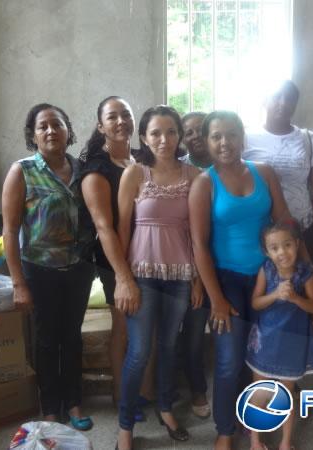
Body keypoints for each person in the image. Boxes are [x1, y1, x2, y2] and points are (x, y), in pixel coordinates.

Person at [189, 110, 292, 450]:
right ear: (206, 141)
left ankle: (256, 423)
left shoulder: (264, 172)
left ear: (242, 137)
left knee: (264, 358)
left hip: (268, 277)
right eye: (216, 136)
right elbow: (200, 246)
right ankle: (224, 429)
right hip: (227, 280)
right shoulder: (204, 183)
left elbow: (284, 221)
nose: (224, 142)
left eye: (231, 134)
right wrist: (216, 298)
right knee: (229, 358)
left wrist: (299, 273)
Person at [2, 103, 95, 430]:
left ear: (68, 130)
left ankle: (74, 403)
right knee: (46, 339)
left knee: (72, 337)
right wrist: (18, 283)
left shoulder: (83, 169)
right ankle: (50, 409)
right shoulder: (22, 171)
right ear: (33, 135)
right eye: (43, 127)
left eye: (57, 124)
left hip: (80, 270)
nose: (51, 131)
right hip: (39, 272)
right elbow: (10, 231)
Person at [115, 105, 202, 450]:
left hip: (181, 275)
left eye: (170, 132)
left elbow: (198, 233)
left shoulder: (194, 175)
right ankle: (125, 426)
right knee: (139, 351)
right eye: (155, 133)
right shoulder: (134, 174)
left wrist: (197, 279)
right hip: (142, 275)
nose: (163, 139)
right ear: (144, 137)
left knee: (169, 346)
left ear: (179, 135)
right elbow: (122, 229)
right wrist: (123, 279)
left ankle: (166, 408)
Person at [78, 96, 154, 419]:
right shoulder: (96, 169)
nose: (121, 121)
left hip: (151, 255)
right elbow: (104, 228)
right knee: (122, 328)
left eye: (126, 114)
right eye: (113, 117)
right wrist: (123, 277)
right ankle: (122, 396)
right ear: (101, 126)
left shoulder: (143, 159)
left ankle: (144, 392)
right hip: (116, 260)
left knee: (148, 328)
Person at [246, 220, 313, 450]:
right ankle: (255, 441)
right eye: (275, 247)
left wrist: (296, 299)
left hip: (292, 343)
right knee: (259, 391)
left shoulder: (305, 274)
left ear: (297, 245)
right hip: (265, 341)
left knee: (285, 394)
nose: (282, 252)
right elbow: (256, 303)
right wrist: (275, 295)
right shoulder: (266, 270)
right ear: (267, 251)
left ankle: (285, 442)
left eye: (287, 245)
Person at [244, 80, 313, 266]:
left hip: (301, 229)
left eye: (290, 99)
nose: (283, 103)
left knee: (301, 285)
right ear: (264, 100)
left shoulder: (309, 139)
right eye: (277, 97)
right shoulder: (245, 138)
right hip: (261, 231)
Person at [178, 111, 212, 419]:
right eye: (188, 132)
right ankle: (198, 388)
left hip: (228, 261)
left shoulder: (227, 165)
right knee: (193, 331)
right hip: (192, 261)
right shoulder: (181, 170)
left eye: (201, 129)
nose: (195, 135)